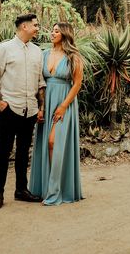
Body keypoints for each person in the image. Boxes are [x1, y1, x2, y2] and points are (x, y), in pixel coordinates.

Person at [0, 13, 46, 210]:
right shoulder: (5, 48)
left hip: (30, 110)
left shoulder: (38, 51)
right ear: (24, 26)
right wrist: (0, 102)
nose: (38, 28)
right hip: (10, 108)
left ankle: (21, 190)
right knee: (3, 151)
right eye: (35, 25)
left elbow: (40, 83)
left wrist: (41, 107)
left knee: (22, 152)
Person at [29, 22, 83, 205]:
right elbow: (40, 83)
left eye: (56, 31)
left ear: (65, 34)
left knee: (54, 142)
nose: (52, 33)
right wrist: (41, 107)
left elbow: (77, 84)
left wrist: (63, 106)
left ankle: (55, 191)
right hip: (46, 102)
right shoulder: (44, 54)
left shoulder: (73, 57)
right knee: (45, 143)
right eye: (52, 30)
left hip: (64, 102)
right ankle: (44, 189)